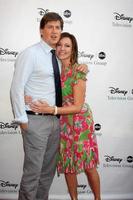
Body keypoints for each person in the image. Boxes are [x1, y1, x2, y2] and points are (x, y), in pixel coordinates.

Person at [10, 12, 88, 200]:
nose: (54, 31)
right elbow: (16, 88)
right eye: (50, 27)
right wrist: (22, 120)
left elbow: (70, 76)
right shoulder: (30, 54)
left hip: (56, 122)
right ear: (41, 31)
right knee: (33, 174)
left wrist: (84, 66)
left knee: (47, 174)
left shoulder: (59, 57)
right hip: (35, 121)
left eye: (58, 27)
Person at [27, 32, 101, 200]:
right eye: (59, 45)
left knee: (88, 165)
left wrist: (51, 110)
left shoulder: (78, 71)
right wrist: (27, 95)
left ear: (73, 49)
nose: (62, 49)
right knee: (69, 165)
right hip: (63, 123)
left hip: (80, 123)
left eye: (67, 46)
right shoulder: (54, 70)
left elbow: (77, 106)